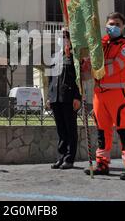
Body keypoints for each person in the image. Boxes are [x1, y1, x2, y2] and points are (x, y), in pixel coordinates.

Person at [85, 12, 125, 180]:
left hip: (119, 95)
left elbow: (118, 65)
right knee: (102, 131)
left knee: (124, 130)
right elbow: (89, 62)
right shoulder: (100, 44)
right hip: (99, 95)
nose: (112, 27)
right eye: (110, 24)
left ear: (123, 27)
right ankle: (102, 164)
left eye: (116, 24)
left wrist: (99, 72)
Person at [47, 28, 81, 170]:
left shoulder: (75, 57)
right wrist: (49, 97)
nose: (62, 38)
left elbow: (79, 79)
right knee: (61, 129)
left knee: (70, 129)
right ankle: (61, 157)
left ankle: (69, 158)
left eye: (65, 36)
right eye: (61, 36)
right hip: (56, 98)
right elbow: (50, 79)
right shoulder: (55, 56)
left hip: (69, 97)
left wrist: (77, 96)